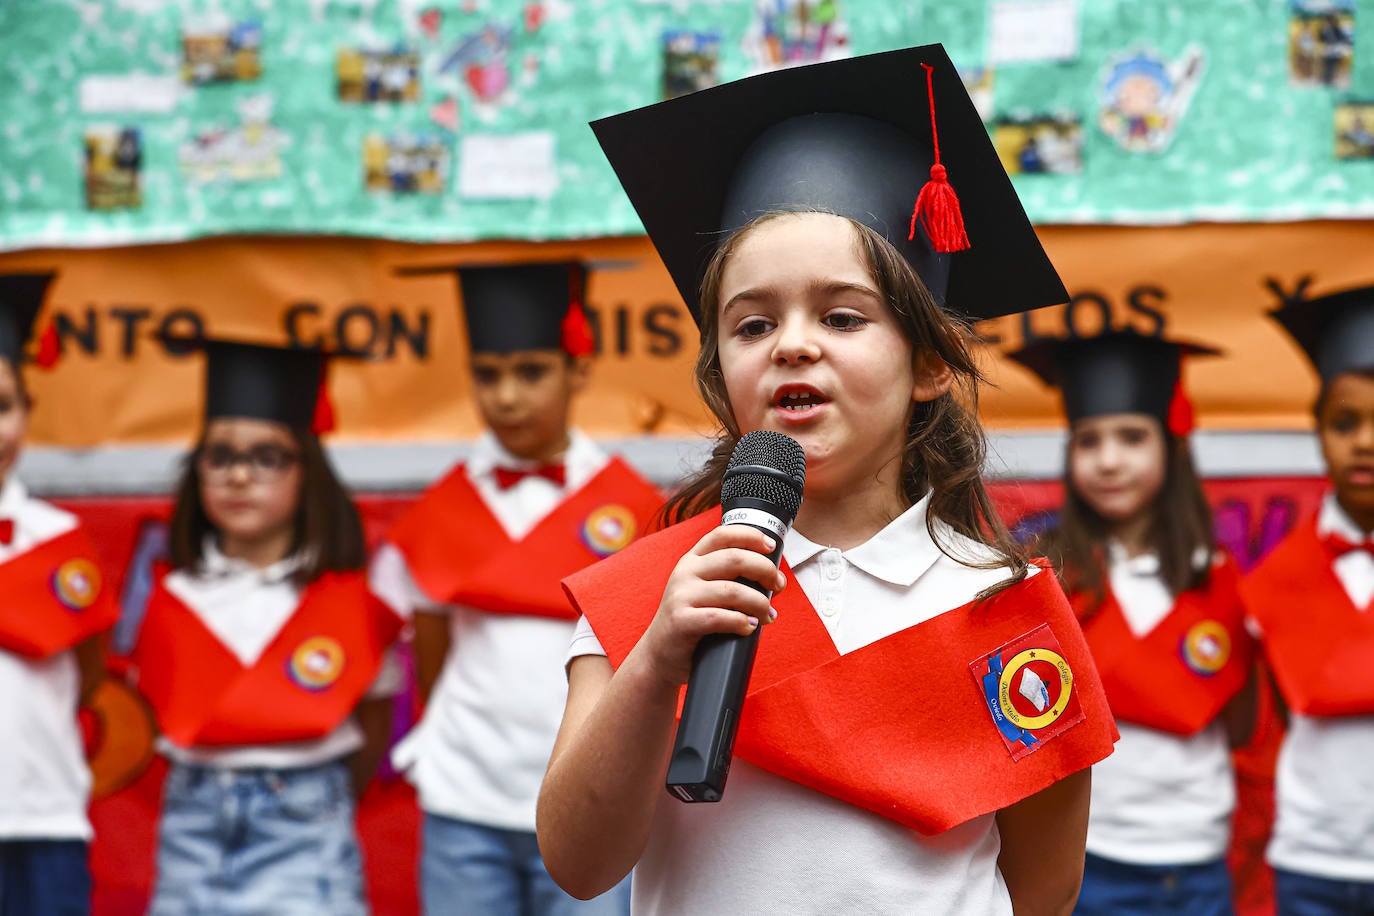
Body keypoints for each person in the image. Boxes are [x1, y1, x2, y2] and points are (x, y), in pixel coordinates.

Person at [537, 45, 1119, 914]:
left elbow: (1040, 889)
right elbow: (579, 864)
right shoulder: (654, 596)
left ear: (929, 362)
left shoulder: (1004, 607)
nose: (793, 344)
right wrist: (659, 660)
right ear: (718, 369)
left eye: (842, 316)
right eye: (753, 323)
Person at [375, 261, 662, 916]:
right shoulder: (441, 510)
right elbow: (430, 650)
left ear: (578, 368)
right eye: (488, 374)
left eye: (531, 371)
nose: (506, 396)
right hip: (464, 801)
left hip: (592, 803)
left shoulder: (633, 509)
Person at [130, 338, 407, 915]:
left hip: (307, 816)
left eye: (266, 457)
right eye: (219, 456)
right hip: (192, 820)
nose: (238, 476)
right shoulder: (168, 592)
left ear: (307, 469)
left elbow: (374, 720)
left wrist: (320, 796)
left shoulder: (347, 599)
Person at [1008, 330, 1257, 915]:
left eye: (1132, 438)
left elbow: (1244, 728)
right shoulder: (1046, 577)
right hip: (1086, 852)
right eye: (1088, 441)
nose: (1110, 460)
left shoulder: (1216, 579)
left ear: (1172, 446)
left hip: (1197, 857)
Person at [1243, 281, 1374, 915]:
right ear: (1317, 429)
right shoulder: (1270, 581)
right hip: (1312, 859)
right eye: (1345, 422)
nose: (1366, 442)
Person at [0, 272, 118, 916]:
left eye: (1, 407)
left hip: (41, 819)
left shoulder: (61, 541)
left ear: (27, 413)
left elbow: (89, 676)